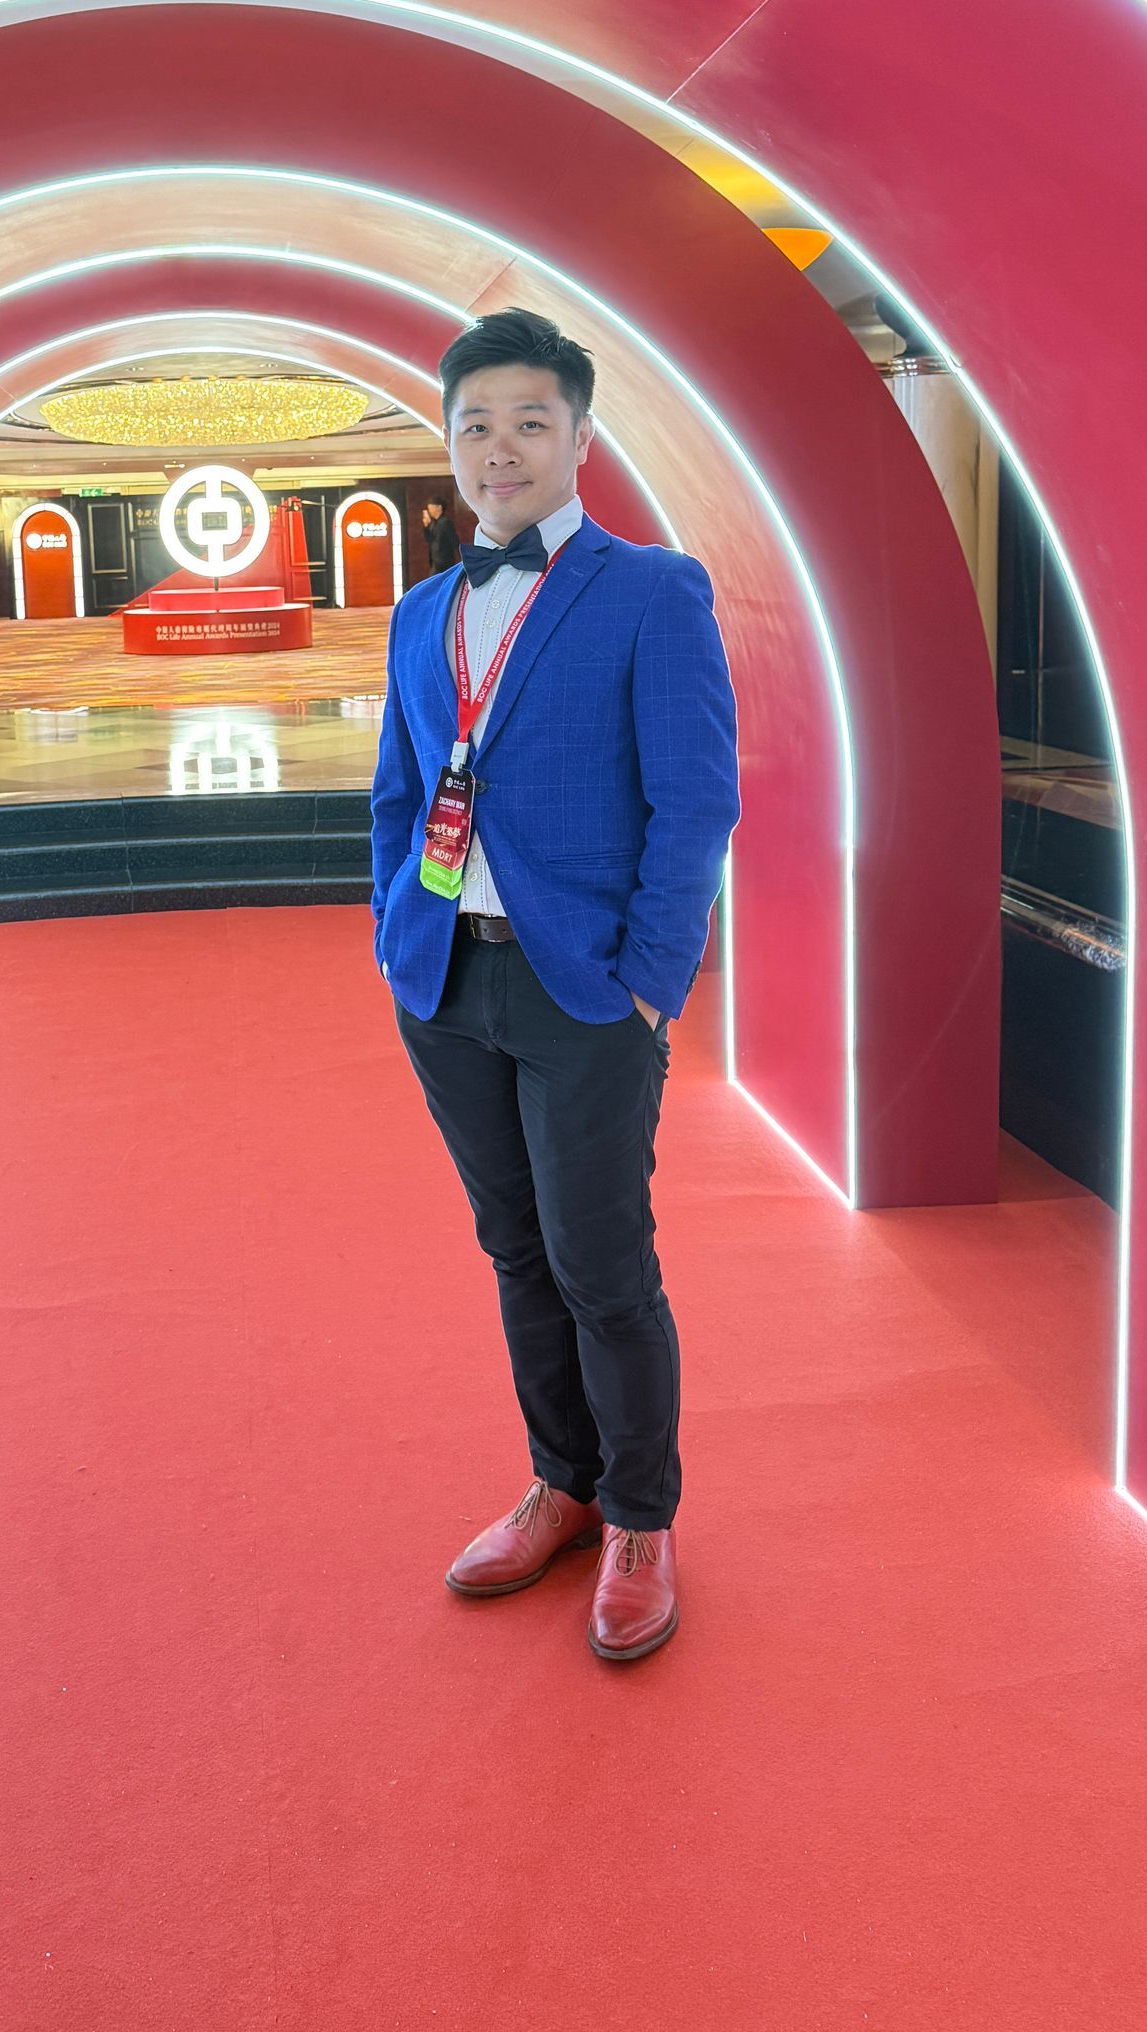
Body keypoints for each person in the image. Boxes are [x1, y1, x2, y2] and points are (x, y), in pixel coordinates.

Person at [371, 309, 739, 1662]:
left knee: (601, 1262)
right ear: (450, 444)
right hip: (446, 985)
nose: (500, 448)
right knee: (515, 1248)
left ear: (580, 438)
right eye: (475, 424)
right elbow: (401, 794)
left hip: (586, 990)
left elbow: (697, 801)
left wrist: (650, 983)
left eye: (531, 420)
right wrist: (396, 940)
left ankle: (643, 1515)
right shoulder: (421, 613)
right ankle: (562, 1482)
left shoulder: (652, 592)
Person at [420, 494, 461, 576]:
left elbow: (454, 540)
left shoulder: (445, 522)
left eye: (431, 508)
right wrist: (426, 526)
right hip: (435, 561)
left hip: (444, 561)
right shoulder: (434, 523)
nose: (430, 510)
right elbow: (429, 539)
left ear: (439, 507)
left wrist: (462, 555)